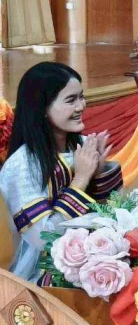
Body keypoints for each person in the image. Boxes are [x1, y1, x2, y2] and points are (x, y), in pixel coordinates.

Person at [0, 62, 121, 283]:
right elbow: (43, 239)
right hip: (43, 277)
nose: (81, 106)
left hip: (98, 258)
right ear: (43, 108)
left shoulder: (83, 146)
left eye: (81, 97)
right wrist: (81, 179)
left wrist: (99, 175)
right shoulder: (22, 165)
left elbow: (115, 214)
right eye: (71, 100)